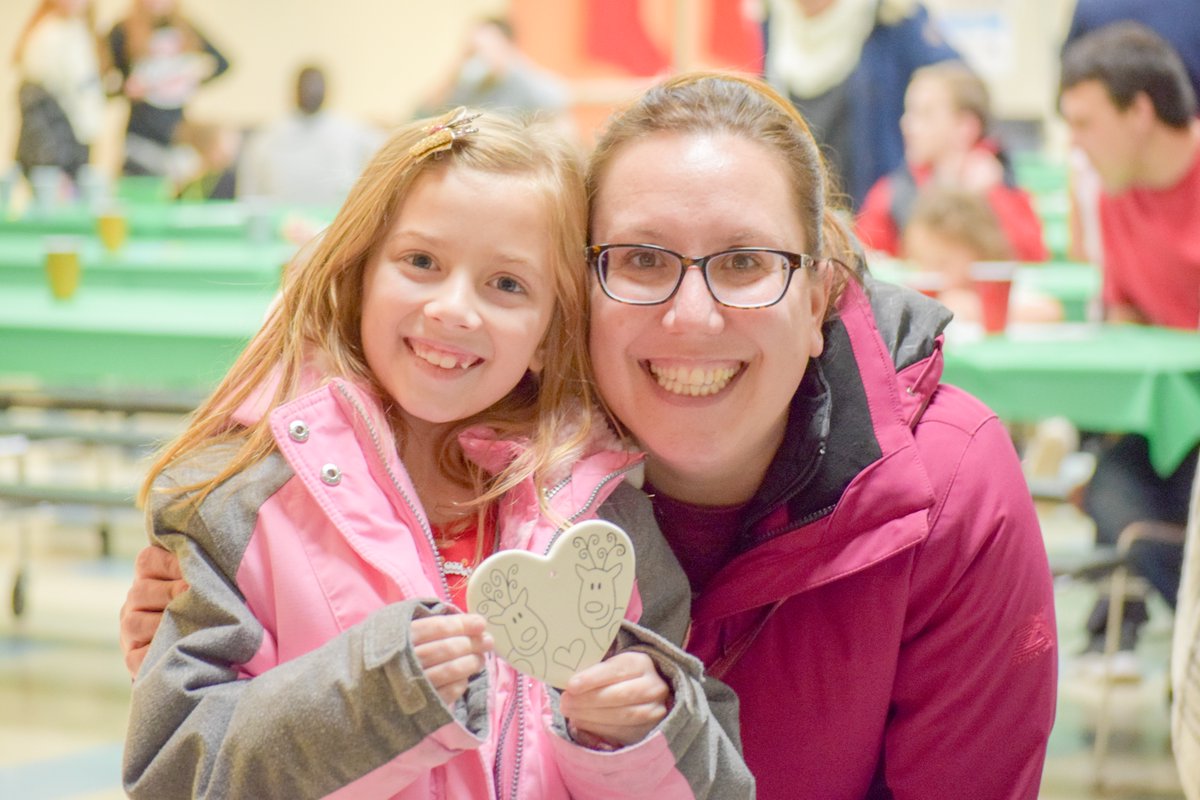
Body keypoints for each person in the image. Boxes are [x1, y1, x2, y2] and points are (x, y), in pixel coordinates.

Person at [123, 73, 1057, 799]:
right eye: (642, 260)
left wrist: (634, 732)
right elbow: (189, 742)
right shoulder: (535, 464)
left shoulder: (941, 489)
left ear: (820, 294)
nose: (691, 316)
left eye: (744, 262)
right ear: (586, 302)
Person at [120, 108, 752, 799]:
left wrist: (641, 732)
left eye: (507, 284)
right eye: (421, 262)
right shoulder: (243, 504)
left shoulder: (605, 517)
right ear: (360, 275)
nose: (455, 308)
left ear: (549, 332)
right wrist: (375, 697)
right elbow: (174, 769)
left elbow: (718, 785)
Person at [1060, 22, 1200, 670]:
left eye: (1085, 123)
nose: (1076, 145)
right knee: (1112, 494)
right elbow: (1125, 314)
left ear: (1140, 111)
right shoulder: (1114, 198)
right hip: (1163, 426)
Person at [762, 0, 959, 208]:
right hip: (799, 206)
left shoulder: (892, 15)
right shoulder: (772, 17)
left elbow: (961, 86)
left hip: (873, 211)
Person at [857, 61, 1048, 262]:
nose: (907, 124)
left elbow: (1032, 257)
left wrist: (990, 197)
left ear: (965, 127)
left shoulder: (1002, 185)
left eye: (924, 114)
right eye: (908, 112)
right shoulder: (893, 192)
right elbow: (863, 260)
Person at [901, 186, 1061, 325]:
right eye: (923, 263)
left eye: (943, 264)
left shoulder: (999, 285)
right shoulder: (920, 296)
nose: (931, 274)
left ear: (978, 251)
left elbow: (1050, 312)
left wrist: (978, 310)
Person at [107, 0, 229, 177]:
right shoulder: (124, 30)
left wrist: (190, 81)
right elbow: (107, 80)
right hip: (141, 132)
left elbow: (222, 63)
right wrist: (127, 89)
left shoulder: (185, 29)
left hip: (176, 131)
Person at [237, 64, 384, 207]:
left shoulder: (353, 131)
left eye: (316, 85)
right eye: (306, 85)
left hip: (335, 222)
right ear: (295, 90)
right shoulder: (267, 136)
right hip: (280, 223)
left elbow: (386, 161)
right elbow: (249, 194)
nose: (311, 90)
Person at [415, 15, 572, 135]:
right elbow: (425, 112)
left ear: (508, 45)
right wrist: (459, 63)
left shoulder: (526, 80)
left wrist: (504, 61)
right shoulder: (472, 82)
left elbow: (559, 102)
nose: (482, 53)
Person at [12, 0, 107, 184]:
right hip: (55, 149)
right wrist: (52, 158)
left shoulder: (78, 30)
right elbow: (39, 102)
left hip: (77, 141)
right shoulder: (48, 34)